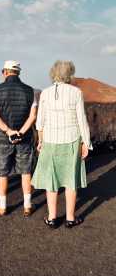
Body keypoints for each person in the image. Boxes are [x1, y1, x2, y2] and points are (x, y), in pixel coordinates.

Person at [32, 60, 92, 228]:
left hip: (50, 141)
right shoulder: (76, 92)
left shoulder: (45, 93)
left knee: (52, 181)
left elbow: (40, 122)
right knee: (70, 181)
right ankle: (70, 218)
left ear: (53, 74)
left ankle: (52, 218)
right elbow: (82, 120)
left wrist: (41, 140)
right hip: (72, 140)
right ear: (70, 74)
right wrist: (86, 143)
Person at [0, 60, 37, 217]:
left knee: (2, 173)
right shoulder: (30, 91)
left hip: (2, 139)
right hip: (25, 138)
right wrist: (21, 132)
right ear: (18, 72)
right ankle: (28, 205)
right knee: (26, 171)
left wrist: (9, 131)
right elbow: (33, 116)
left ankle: (3, 206)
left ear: (5, 72)